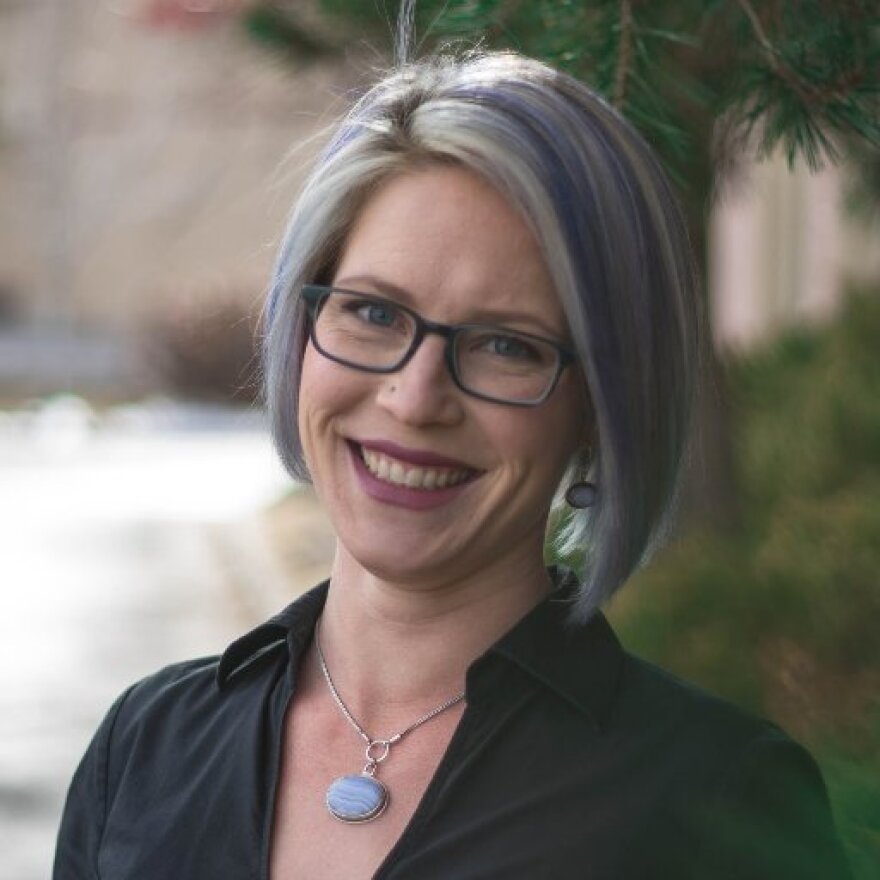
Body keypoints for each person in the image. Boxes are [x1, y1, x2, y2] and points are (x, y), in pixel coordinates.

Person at [54, 51, 851, 879]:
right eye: (372, 311)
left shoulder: (718, 802)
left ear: (601, 407)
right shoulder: (145, 750)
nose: (415, 396)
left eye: (506, 344)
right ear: (302, 326)